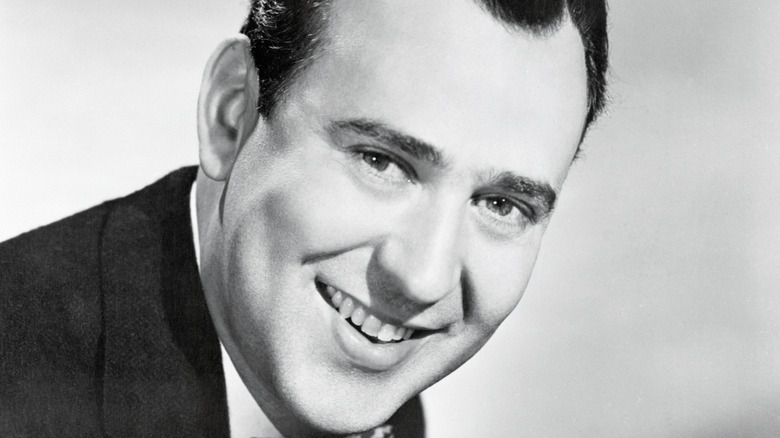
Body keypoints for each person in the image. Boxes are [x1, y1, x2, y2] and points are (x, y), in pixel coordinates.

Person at [0, 0, 608, 436]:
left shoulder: (377, 392)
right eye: (381, 161)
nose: (423, 279)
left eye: (502, 205)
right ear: (231, 113)